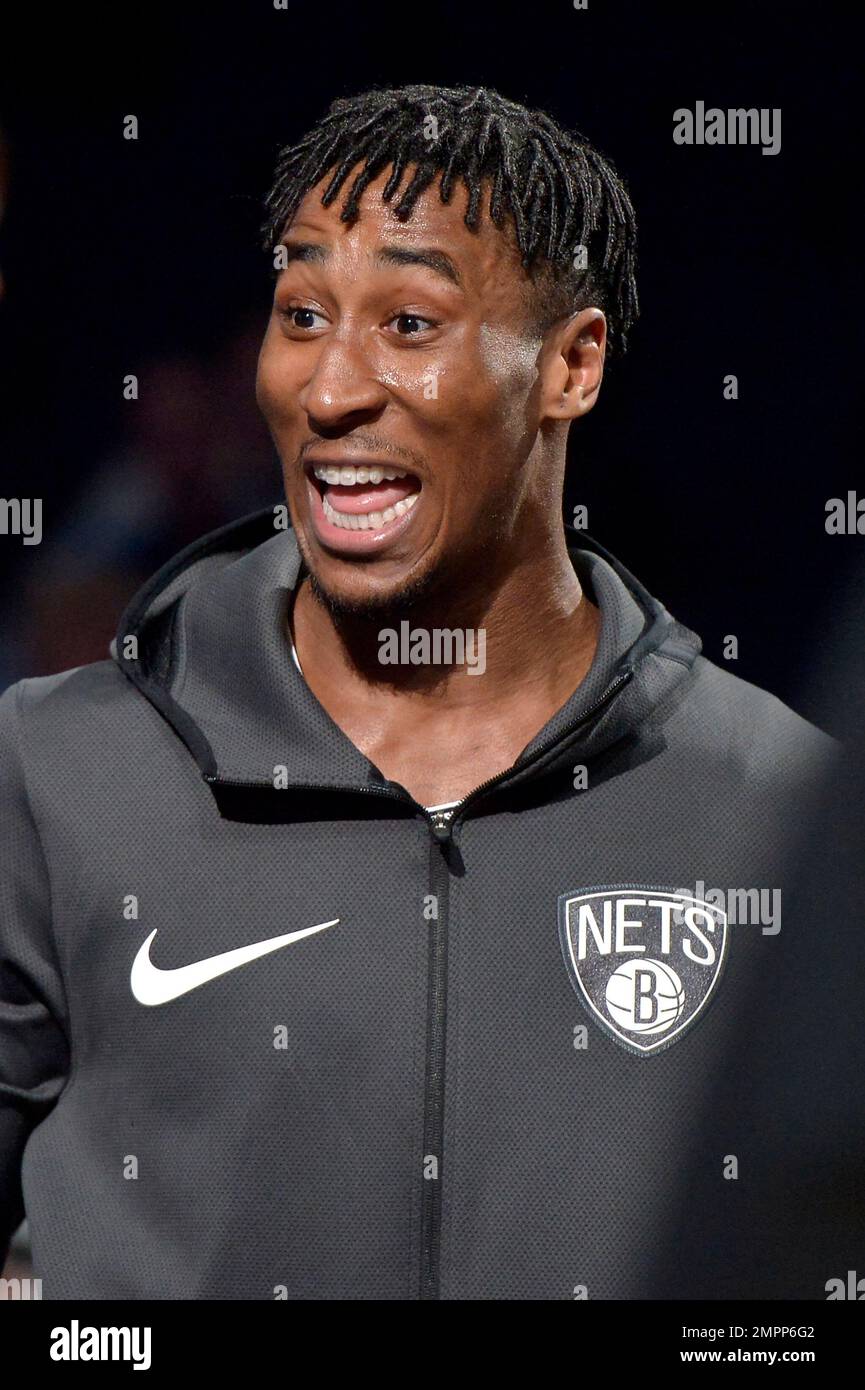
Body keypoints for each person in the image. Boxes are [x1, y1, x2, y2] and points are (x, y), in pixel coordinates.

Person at [0, 84, 847, 1300]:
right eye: (300, 313)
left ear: (571, 365)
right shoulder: (52, 772)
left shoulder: (785, 809)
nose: (329, 387)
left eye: (407, 321)